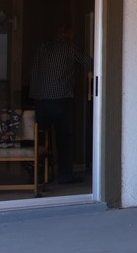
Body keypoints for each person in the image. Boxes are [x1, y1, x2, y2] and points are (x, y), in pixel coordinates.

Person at [29, 24, 92, 185]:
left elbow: (35, 70)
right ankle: (64, 175)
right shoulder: (70, 48)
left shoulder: (43, 47)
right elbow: (90, 64)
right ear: (69, 33)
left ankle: (38, 173)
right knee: (64, 138)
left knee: (40, 138)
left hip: (40, 100)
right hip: (60, 100)